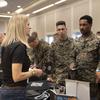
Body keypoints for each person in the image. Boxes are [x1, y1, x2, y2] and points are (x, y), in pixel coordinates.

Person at [0, 14, 43, 100]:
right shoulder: (19, 46)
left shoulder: (6, 45)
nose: (30, 27)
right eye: (28, 24)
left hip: (6, 89)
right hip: (15, 92)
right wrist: (34, 72)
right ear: (21, 26)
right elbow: (17, 77)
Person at [69, 15, 100, 100]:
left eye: (84, 25)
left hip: (92, 81)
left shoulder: (97, 41)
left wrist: (98, 70)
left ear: (90, 25)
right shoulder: (76, 41)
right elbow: (72, 57)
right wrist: (72, 64)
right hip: (78, 79)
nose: (81, 27)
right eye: (80, 25)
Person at [49, 21, 74, 85]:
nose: (61, 31)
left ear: (66, 29)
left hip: (72, 76)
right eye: (59, 30)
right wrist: (50, 75)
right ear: (57, 31)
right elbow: (50, 61)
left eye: (63, 29)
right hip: (59, 77)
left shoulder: (73, 42)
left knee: (72, 95)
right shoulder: (53, 45)